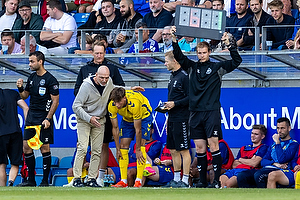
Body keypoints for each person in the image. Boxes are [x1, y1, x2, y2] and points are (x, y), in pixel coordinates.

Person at [171, 28, 242, 188]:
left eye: (204, 52)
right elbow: (179, 57)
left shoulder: (218, 68)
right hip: (195, 113)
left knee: (214, 144)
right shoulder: (192, 68)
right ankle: (202, 182)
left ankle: (216, 181)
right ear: (196, 53)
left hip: (211, 112)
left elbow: (236, 61)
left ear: (209, 52)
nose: (201, 55)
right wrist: (174, 40)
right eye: (199, 53)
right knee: (200, 148)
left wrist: (231, 46)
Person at [16, 51, 59, 187]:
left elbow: (55, 101)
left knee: (44, 148)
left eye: (32, 61)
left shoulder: (51, 80)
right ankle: (30, 180)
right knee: (26, 147)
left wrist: (48, 118)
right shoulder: (32, 77)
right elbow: (24, 96)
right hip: (31, 117)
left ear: (40, 62)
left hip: (43, 117)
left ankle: (45, 181)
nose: (30, 64)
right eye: (29, 61)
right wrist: (20, 88)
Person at [72, 66, 117, 187]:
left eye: (106, 78)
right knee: (82, 148)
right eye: (102, 77)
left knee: (97, 150)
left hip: (99, 120)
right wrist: (89, 118)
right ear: (96, 75)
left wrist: (131, 89)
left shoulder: (109, 82)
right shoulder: (86, 86)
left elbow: (116, 88)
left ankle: (91, 179)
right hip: (84, 120)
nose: (104, 80)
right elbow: (76, 106)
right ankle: (77, 178)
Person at [109, 87, 153, 188]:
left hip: (144, 116)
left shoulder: (135, 103)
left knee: (141, 144)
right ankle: (123, 181)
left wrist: (137, 150)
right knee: (123, 146)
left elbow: (138, 130)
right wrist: (117, 149)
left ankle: (138, 181)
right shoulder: (112, 105)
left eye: (119, 102)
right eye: (115, 102)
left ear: (124, 98)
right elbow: (115, 128)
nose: (117, 105)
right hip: (127, 118)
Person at [162, 51, 190, 188]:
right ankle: (176, 178)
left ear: (175, 61)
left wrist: (175, 104)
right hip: (172, 117)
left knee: (184, 149)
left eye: (167, 61)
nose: (165, 63)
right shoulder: (172, 77)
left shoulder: (185, 77)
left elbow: (191, 98)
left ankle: (185, 180)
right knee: (173, 149)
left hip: (182, 118)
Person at [253, 117, 299, 188]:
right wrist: (274, 163)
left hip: (286, 170)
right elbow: (263, 161)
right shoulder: (273, 144)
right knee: (245, 175)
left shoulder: (293, 144)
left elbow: (282, 159)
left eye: (282, 128)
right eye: (278, 128)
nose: (279, 131)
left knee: (262, 175)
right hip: (272, 167)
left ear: (289, 128)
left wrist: (278, 142)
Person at [0, 88, 28, 186]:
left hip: (1, 134)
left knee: (1, 165)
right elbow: (26, 108)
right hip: (16, 132)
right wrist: (28, 126)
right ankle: (11, 182)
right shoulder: (12, 93)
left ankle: (3, 190)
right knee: (15, 163)